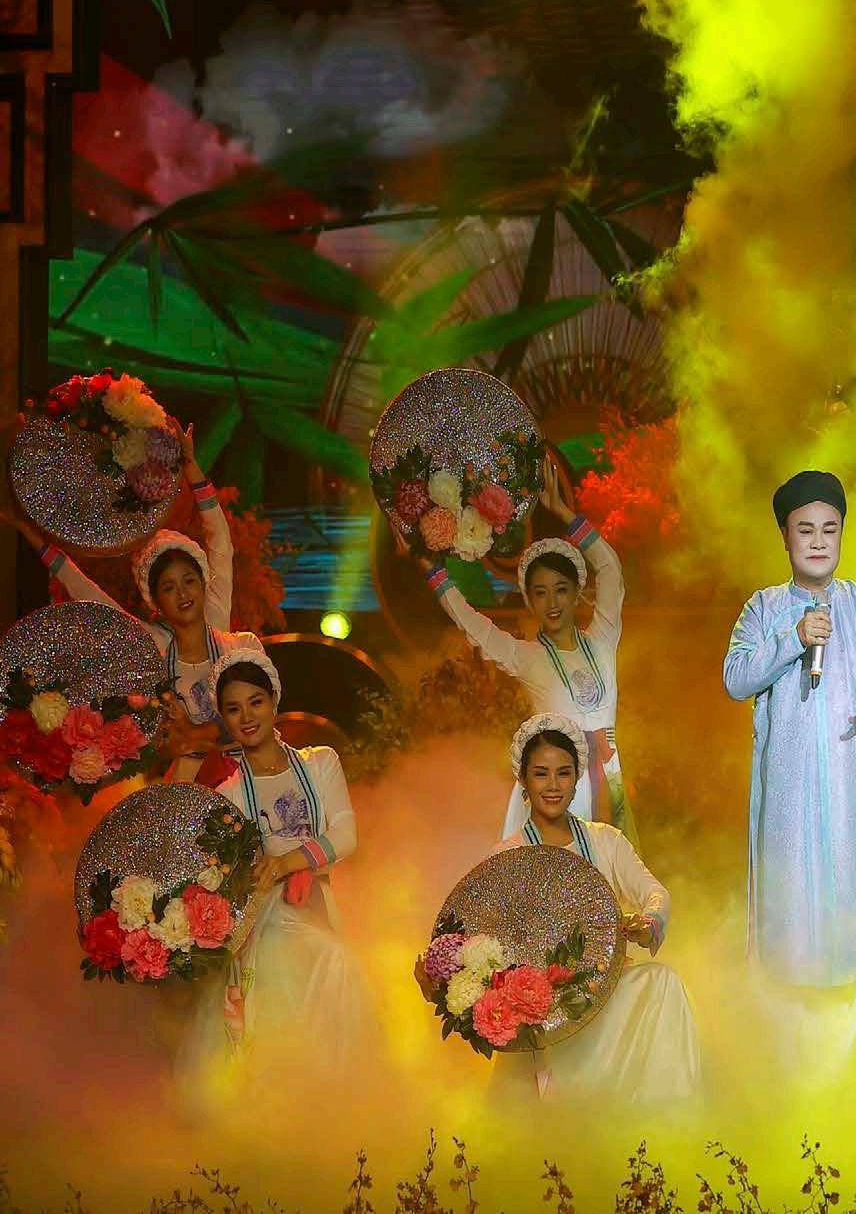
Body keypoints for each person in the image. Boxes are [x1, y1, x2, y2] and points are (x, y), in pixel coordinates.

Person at [723, 471, 856, 1008]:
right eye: (805, 529)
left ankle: (845, 1012)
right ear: (784, 536)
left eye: (829, 530)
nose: (817, 541)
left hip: (846, 783)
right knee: (789, 900)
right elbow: (735, 678)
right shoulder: (763, 608)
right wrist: (793, 638)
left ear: (841, 536)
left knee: (845, 891)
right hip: (786, 792)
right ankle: (785, 1012)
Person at [177, 649, 379, 1098]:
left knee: (332, 982)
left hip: (319, 903)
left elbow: (346, 836)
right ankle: (284, 1106)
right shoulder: (229, 791)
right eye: (233, 709)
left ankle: (328, 1106)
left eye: (256, 702)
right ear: (224, 717)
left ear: (274, 700)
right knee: (311, 978)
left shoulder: (319, 763)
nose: (247, 716)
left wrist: (286, 862)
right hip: (266, 919)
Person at [14, 425, 254, 783]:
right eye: (169, 588)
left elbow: (221, 542)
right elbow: (87, 592)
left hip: (246, 774)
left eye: (189, 581)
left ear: (204, 583)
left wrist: (191, 468)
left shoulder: (220, 623)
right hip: (190, 781)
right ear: (156, 600)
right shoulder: (154, 643)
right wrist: (31, 536)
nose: (183, 593)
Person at [486, 713, 702, 1105]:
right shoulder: (508, 855)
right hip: (547, 1000)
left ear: (577, 779)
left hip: (609, 983)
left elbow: (656, 893)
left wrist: (648, 921)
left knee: (663, 981)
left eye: (563, 773)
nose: (553, 785)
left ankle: (665, 1117)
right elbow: (492, 939)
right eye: (541, 774)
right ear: (524, 781)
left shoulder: (606, 841)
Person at [409, 463, 631, 841]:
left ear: (577, 591)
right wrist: (433, 573)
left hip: (608, 777)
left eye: (561, 589)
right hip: (554, 787)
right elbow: (474, 625)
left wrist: (565, 514)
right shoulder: (527, 657)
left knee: (609, 868)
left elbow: (610, 568)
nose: (552, 602)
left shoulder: (602, 639)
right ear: (529, 601)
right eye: (540, 593)